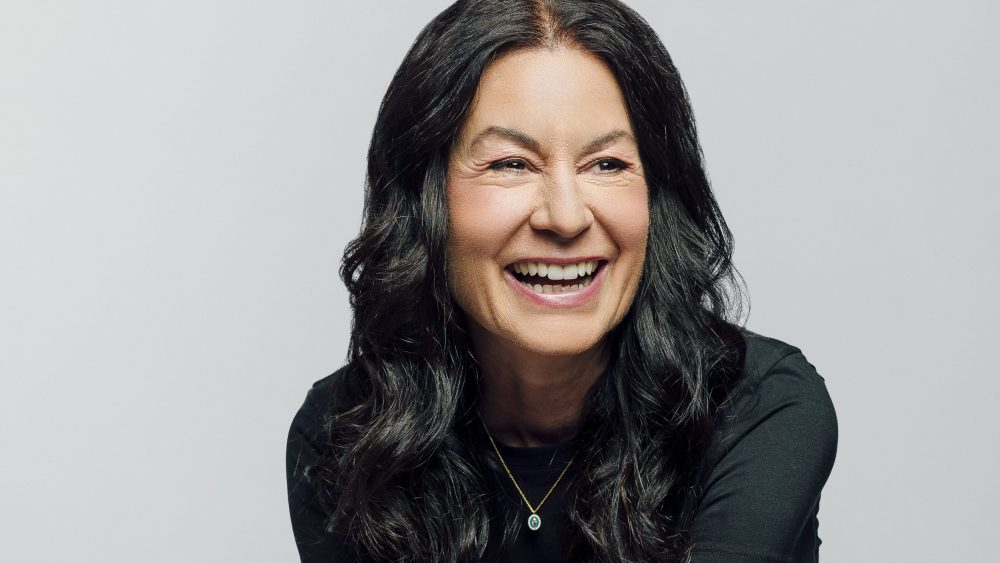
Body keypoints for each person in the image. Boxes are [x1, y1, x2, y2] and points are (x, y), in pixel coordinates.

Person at [286, 0, 838, 561]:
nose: (567, 217)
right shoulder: (346, 435)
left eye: (607, 164)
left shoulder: (760, 407)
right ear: (424, 199)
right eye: (511, 163)